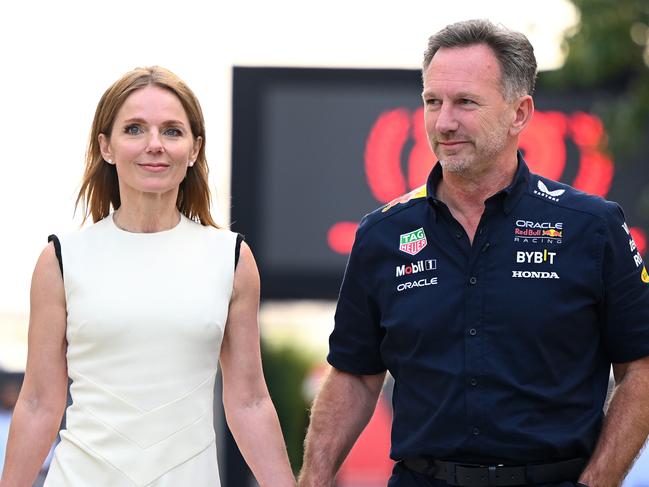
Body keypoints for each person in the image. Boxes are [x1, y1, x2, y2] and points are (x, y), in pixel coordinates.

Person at [299, 19, 649, 487]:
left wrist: (598, 482)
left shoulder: (592, 227)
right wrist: (312, 480)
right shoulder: (382, 235)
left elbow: (641, 369)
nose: (444, 122)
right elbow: (355, 378)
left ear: (519, 113)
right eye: (432, 102)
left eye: (465, 102)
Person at [0, 66, 295, 487]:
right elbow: (36, 404)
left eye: (172, 131)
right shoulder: (60, 260)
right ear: (106, 146)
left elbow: (248, 402)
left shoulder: (231, 258)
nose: (154, 145)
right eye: (135, 129)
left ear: (194, 149)